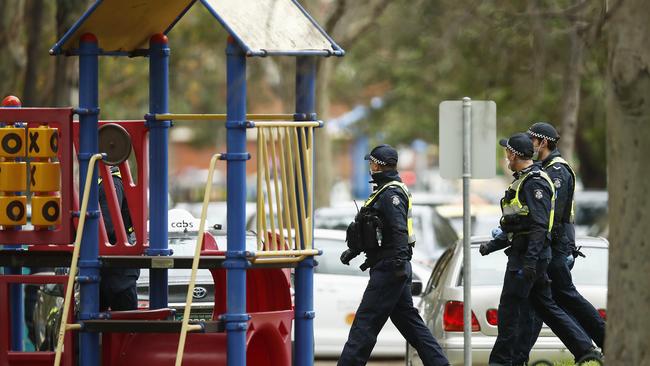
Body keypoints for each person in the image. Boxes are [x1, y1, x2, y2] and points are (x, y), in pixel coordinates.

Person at [481, 133, 601, 366]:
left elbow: (539, 226)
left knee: (509, 312)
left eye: (507, 152)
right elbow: (519, 223)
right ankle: (586, 350)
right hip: (527, 255)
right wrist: (493, 245)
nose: (506, 156)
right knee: (545, 306)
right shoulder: (524, 179)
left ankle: (502, 362)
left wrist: (529, 262)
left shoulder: (536, 181)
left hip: (528, 258)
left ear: (515, 154)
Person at [337, 144, 449, 366]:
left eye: (372, 162)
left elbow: (398, 230)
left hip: (390, 268)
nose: (370, 166)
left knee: (364, 324)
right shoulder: (384, 190)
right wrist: (354, 250)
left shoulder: (391, 194)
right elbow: (378, 229)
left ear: (378, 165)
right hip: (390, 265)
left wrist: (397, 263)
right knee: (410, 324)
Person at [514, 122, 606, 361]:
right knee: (541, 302)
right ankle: (521, 355)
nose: (530, 146)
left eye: (532, 141)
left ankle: (602, 342)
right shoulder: (545, 168)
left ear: (543, 142)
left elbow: (552, 215)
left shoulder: (557, 171)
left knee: (564, 296)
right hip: (551, 245)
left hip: (556, 246)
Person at [98, 165, 139, 311]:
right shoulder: (112, 181)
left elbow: (107, 226)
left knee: (124, 328)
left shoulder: (110, 184)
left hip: (117, 273)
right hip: (113, 271)